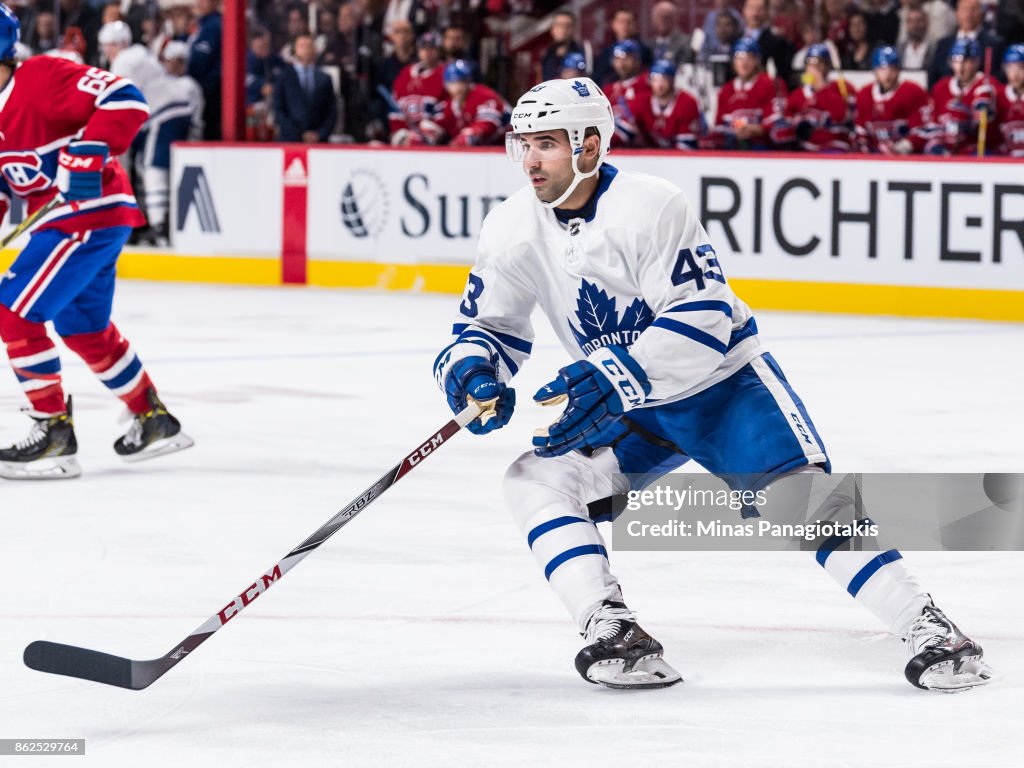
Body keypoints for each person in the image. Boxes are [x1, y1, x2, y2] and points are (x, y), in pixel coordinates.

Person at [432, 75, 994, 692]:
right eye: (523, 143)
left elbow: (704, 317)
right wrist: (474, 366)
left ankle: (932, 628)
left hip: (719, 385)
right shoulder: (509, 225)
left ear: (589, 144)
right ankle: (611, 628)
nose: (529, 159)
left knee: (802, 501)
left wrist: (614, 375)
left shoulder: (652, 206)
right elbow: (490, 322)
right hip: (632, 403)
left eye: (546, 144)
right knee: (535, 478)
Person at [0, 5, 191, 480]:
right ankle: (153, 419)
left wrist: (90, 150)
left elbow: (125, 97)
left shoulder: (42, 76)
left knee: (13, 312)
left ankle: (53, 434)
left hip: (87, 213)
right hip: (76, 222)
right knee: (82, 325)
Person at [98, 21, 196, 244]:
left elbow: (119, 101)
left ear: (118, 44)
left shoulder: (124, 61)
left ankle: (158, 224)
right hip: (176, 110)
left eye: (108, 46)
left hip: (163, 113)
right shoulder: (138, 53)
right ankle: (160, 219)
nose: (106, 52)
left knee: (152, 166)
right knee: (151, 166)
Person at [772, 43, 856, 151]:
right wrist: (797, 127)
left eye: (819, 64)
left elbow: (840, 116)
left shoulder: (841, 87)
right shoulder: (798, 95)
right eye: (810, 64)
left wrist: (822, 87)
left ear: (827, 66)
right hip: (805, 149)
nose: (814, 69)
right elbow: (780, 130)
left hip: (835, 147)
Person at [925, 37, 999, 155]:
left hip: (975, 149)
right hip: (946, 149)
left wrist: (986, 113)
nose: (960, 67)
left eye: (966, 61)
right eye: (956, 61)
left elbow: (993, 131)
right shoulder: (940, 87)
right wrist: (936, 144)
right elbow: (932, 122)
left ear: (976, 62)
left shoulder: (989, 86)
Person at [712, 37, 786, 150]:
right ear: (733, 61)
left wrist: (759, 129)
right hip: (733, 149)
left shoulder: (770, 84)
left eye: (749, 57)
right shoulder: (725, 91)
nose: (744, 62)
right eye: (739, 57)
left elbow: (778, 124)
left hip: (764, 149)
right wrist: (731, 132)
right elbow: (719, 128)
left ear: (757, 60)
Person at [854, 46, 930, 153]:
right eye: (882, 69)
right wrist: (865, 150)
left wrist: (903, 147)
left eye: (892, 69)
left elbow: (921, 131)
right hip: (873, 158)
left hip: (905, 158)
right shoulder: (864, 94)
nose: (888, 74)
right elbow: (861, 132)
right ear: (875, 70)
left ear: (899, 70)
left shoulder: (913, 92)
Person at [273, 34, 337, 143]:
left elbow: (332, 111)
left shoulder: (325, 78)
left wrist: (320, 134)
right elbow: (279, 110)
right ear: (295, 50)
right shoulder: (283, 78)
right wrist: (298, 135)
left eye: (309, 46)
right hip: (290, 141)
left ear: (314, 49)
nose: (306, 50)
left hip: (319, 141)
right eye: (302, 46)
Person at [929, 0, 1002, 89]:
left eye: (973, 9)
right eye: (964, 9)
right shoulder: (943, 44)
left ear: (982, 12)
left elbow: (998, 78)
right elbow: (934, 76)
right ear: (956, 13)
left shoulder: (994, 45)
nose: (968, 14)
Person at [389, 30, 445, 145]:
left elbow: (447, 110)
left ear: (439, 51)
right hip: (406, 131)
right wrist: (398, 128)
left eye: (432, 48)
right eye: (423, 48)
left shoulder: (445, 73)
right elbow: (396, 104)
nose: (427, 52)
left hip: (433, 132)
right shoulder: (405, 73)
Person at [631, 59, 702, 149]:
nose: (660, 84)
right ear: (650, 81)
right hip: (648, 158)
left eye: (664, 79)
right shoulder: (640, 102)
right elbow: (622, 135)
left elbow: (687, 145)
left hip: (677, 160)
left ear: (672, 80)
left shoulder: (687, 102)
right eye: (655, 79)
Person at [605, 39, 651, 146]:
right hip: (614, 149)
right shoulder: (609, 89)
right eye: (618, 58)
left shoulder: (646, 84)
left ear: (637, 60)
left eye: (627, 57)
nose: (622, 62)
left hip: (645, 150)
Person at [188, 0, 222, 140]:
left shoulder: (216, 25)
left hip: (210, 96)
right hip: (198, 93)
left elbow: (204, 62)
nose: (201, 3)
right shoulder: (199, 24)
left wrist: (202, 86)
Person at [593, 7, 652, 87]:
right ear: (613, 24)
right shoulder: (605, 54)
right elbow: (598, 81)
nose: (625, 26)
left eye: (629, 22)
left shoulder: (645, 52)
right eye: (621, 22)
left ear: (635, 25)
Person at [741, 0, 794, 85]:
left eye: (759, 9)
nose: (755, 13)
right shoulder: (735, 39)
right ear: (744, 10)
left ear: (767, 11)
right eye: (751, 8)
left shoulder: (777, 43)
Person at [540, 9, 587, 83]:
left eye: (568, 26)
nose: (564, 30)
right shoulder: (545, 55)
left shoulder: (584, 53)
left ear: (574, 29)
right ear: (552, 29)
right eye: (560, 25)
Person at [996, 44, 1024, 156]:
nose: (1015, 74)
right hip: (1004, 163)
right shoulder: (997, 95)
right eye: (1010, 67)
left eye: (1021, 68)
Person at [647, 0, 692, 67]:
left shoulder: (685, 43)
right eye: (660, 16)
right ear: (654, 19)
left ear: (675, 19)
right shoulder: (647, 45)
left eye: (667, 17)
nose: (663, 20)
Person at [898, 7, 935, 71]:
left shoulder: (934, 49)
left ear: (926, 23)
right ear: (906, 25)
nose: (914, 25)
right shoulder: (899, 49)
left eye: (919, 20)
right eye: (910, 21)